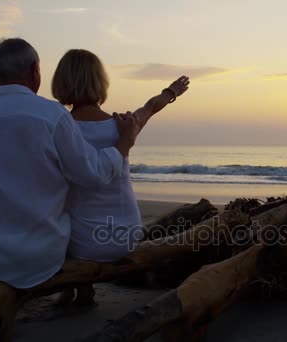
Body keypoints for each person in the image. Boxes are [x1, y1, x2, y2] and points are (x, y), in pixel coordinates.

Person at [0, 38, 138, 290]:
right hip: (34, 252)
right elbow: (93, 174)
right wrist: (125, 143)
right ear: (35, 70)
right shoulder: (52, 115)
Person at [51, 49, 189, 303]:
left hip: (85, 244)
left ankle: (74, 289)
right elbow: (150, 107)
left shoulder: (59, 130)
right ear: (100, 83)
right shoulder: (123, 125)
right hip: (126, 234)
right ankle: (81, 289)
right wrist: (171, 92)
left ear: (61, 83)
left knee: (58, 207)